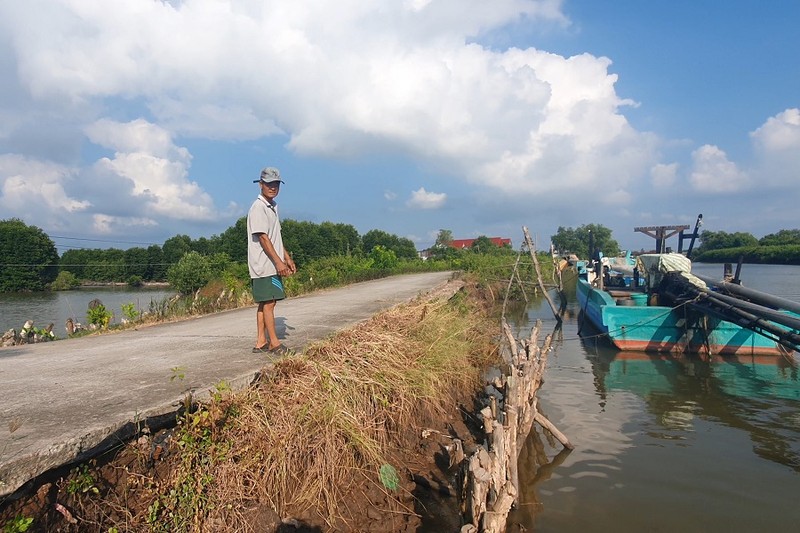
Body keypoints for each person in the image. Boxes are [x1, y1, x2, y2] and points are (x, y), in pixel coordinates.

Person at [247, 167, 296, 354]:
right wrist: (278, 262)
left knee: (266, 302)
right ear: (260, 184)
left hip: (271, 263)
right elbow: (263, 238)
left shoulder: (273, 206)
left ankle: (261, 341)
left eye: (275, 184)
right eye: (268, 184)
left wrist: (287, 257)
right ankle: (274, 343)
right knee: (269, 303)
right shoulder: (258, 207)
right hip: (264, 264)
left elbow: (276, 237)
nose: (272, 187)